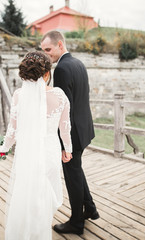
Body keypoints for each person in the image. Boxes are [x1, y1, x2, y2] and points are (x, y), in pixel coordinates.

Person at [0, 51, 73, 239]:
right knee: (45, 195)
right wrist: (68, 150)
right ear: (47, 74)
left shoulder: (18, 96)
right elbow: (65, 129)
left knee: (27, 193)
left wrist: (3, 148)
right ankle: (40, 231)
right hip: (50, 152)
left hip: (27, 154)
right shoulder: (60, 95)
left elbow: (12, 130)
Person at [41, 30, 99, 235]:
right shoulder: (78, 64)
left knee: (72, 176)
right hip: (84, 128)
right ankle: (90, 208)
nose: (46, 54)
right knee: (77, 170)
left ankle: (76, 222)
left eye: (48, 49)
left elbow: (65, 109)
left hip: (72, 133)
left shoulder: (63, 69)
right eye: (43, 51)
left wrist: (64, 143)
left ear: (60, 45)